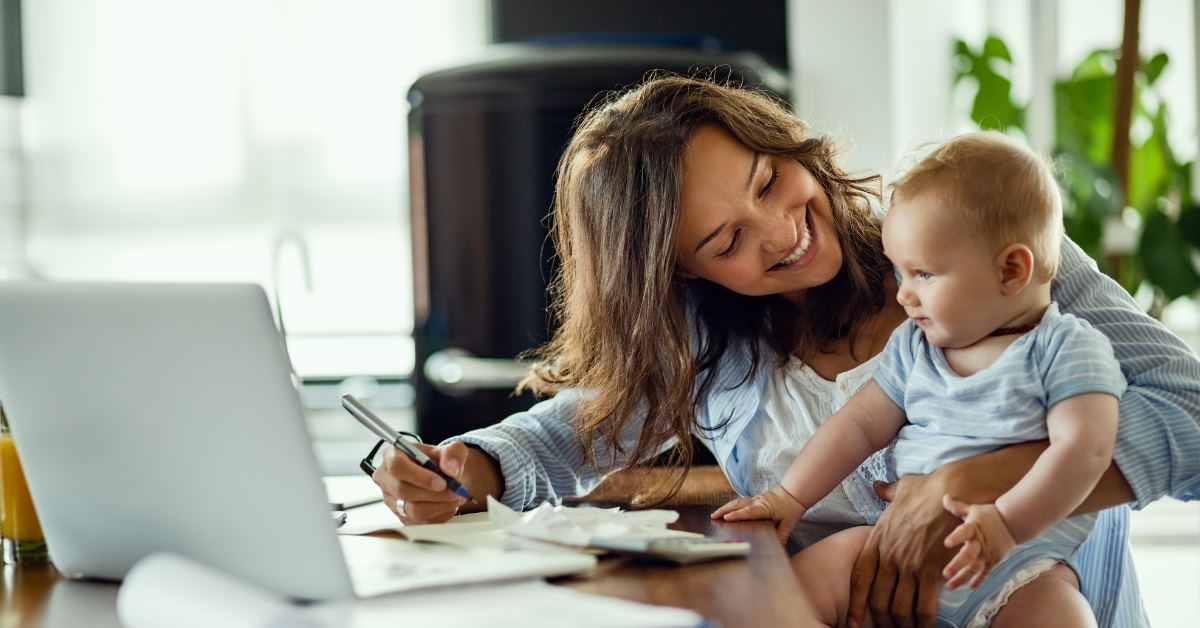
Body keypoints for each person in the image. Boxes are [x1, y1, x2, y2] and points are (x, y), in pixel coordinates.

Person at [372, 75, 1200, 628]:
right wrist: (464, 465)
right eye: (727, 238)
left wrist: (979, 475)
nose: (782, 232)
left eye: (769, 180)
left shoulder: (989, 252)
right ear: (680, 273)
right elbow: (568, 431)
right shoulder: (709, 341)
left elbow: (1192, 418)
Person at [712, 130, 1124, 627]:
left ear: (1011, 271)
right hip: (891, 548)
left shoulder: (1067, 350)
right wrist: (789, 497)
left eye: (923, 275)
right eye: (898, 272)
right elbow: (860, 424)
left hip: (1022, 567)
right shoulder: (917, 347)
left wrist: (1005, 523)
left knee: (1064, 617)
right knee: (791, 591)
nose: (903, 295)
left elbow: (1087, 453)